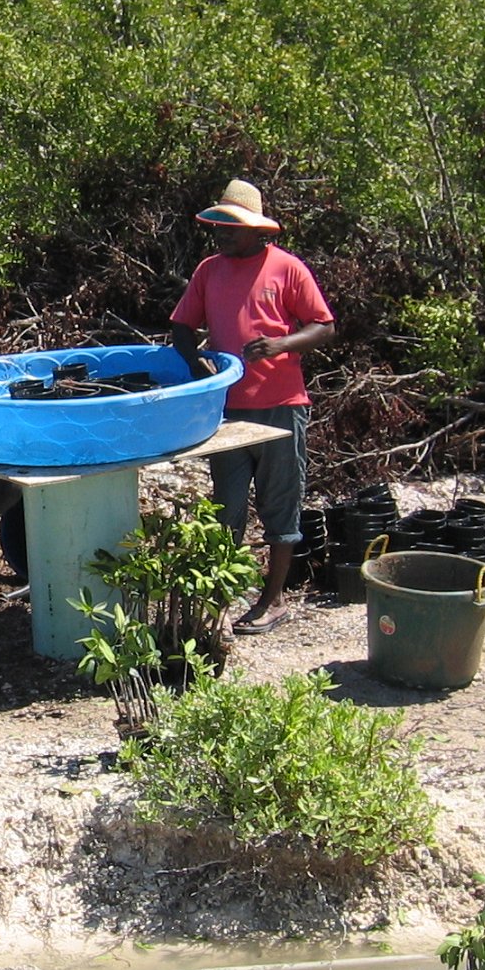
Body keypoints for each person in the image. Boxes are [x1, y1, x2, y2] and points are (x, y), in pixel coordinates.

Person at [169, 179, 336, 633]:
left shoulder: (287, 268)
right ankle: (223, 594)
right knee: (226, 506)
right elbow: (182, 326)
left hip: (281, 406)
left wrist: (282, 342)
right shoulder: (208, 270)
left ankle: (274, 598)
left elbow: (323, 326)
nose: (222, 232)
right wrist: (195, 361)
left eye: (232, 225)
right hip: (225, 410)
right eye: (219, 224)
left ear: (258, 231)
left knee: (281, 503)